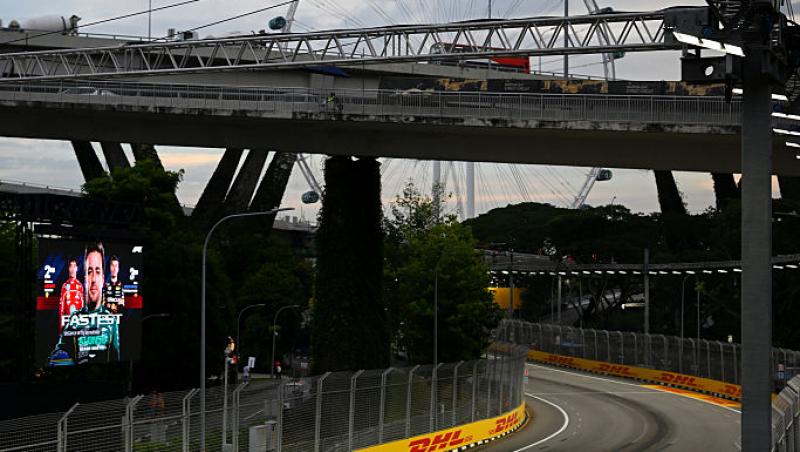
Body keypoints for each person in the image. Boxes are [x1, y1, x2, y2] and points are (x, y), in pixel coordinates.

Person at [49, 243, 120, 365]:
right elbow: (57, 356)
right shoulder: (74, 320)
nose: (93, 279)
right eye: (89, 272)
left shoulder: (111, 321)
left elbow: (117, 359)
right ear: (85, 278)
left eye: (97, 271)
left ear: (103, 279)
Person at [59, 258, 84, 322]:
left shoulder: (80, 286)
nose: (72, 269)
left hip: (77, 322)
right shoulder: (64, 286)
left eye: (74, 266)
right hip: (66, 320)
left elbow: (82, 306)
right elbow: (61, 307)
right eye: (71, 266)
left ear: (77, 268)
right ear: (68, 268)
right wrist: (61, 323)